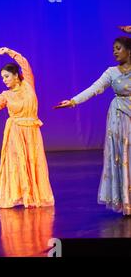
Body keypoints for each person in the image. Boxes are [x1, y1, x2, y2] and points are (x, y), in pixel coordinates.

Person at [0, 47, 55, 208]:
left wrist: (8, 51)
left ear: (16, 76)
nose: (4, 80)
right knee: (17, 165)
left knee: (34, 163)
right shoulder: (5, 96)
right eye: (2, 78)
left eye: (6, 76)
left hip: (32, 131)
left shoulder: (28, 85)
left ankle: (35, 196)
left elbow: (24, 63)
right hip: (15, 133)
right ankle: (19, 195)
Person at [55, 37, 131, 215]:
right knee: (124, 157)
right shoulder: (111, 72)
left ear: (129, 50)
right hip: (119, 118)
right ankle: (127, 202)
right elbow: (94, 88)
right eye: (113, 49)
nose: (114, 52)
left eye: (118, 48)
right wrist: (73, 101)